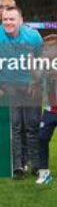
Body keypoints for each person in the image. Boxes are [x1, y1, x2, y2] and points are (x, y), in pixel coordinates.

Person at [0, 6, 43, 179]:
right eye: (5, 19)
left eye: (12, 19)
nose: (8, 23)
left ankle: (36, 164)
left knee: (32, 127)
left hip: (30, 87)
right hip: (9, 86)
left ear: (21, 20)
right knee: (16, 126)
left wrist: (37, 83)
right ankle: (17, 166)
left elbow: (40, 62)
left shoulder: (33, 36)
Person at [34, 35, 57, 185]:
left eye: (49, 47)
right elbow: (36, 78)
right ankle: (44, 173)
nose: (46, 50)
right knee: (42, 138)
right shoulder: (44, 65)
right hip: (50, 109)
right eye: (45, 47)